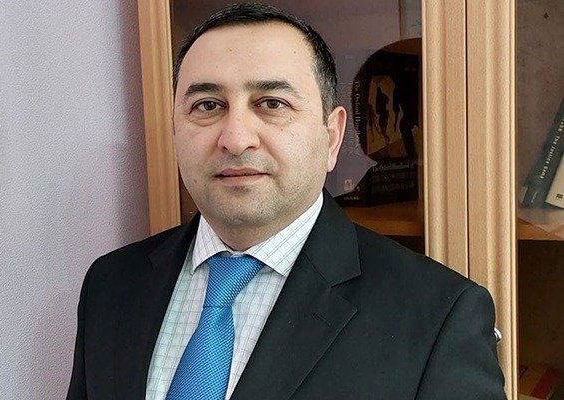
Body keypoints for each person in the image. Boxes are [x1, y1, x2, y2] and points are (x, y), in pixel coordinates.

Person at [66, 3, 506, 399]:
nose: (235, 138)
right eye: (208, 105)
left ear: (331, 136)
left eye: (272, 103)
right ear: (176, 129)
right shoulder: (111, 284)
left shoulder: (438, 317)